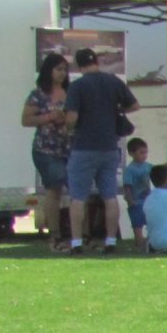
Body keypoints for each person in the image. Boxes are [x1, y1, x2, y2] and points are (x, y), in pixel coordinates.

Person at [62, 47, 138, 255]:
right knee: (110, 196)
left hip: (84, 147)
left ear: (78, 66)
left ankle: (77, 243)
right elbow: (134, 105)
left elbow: (71, 119)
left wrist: (67, 130)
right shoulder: (113, 81)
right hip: (109, 146)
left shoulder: (77, 86)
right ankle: (111, 240)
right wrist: (115, 110)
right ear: (97, 61)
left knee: (78, 197)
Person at [21, 52, 71, 251]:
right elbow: (26, 120)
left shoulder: (71, 91)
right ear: (48, 71)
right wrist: (50, 117)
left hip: (69, 147)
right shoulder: (38, 94)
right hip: (46, 148)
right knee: (54, 189)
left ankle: (77, 234)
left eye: (65, 70)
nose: (62, 74)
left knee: (76, 190)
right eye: (58, 69)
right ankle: (55, 232)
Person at [122, 137, 153, 246]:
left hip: (147, 200)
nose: (144, 155)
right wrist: (130, 200)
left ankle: (151, 241)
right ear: (131, 153)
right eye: (141, 153)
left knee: (150, 220)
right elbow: (127, 186)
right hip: (136, 201)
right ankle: (139, 241)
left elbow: (158, 170)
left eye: (146, 152)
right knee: (137, 223)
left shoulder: (148, 166)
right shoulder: (130, 169)